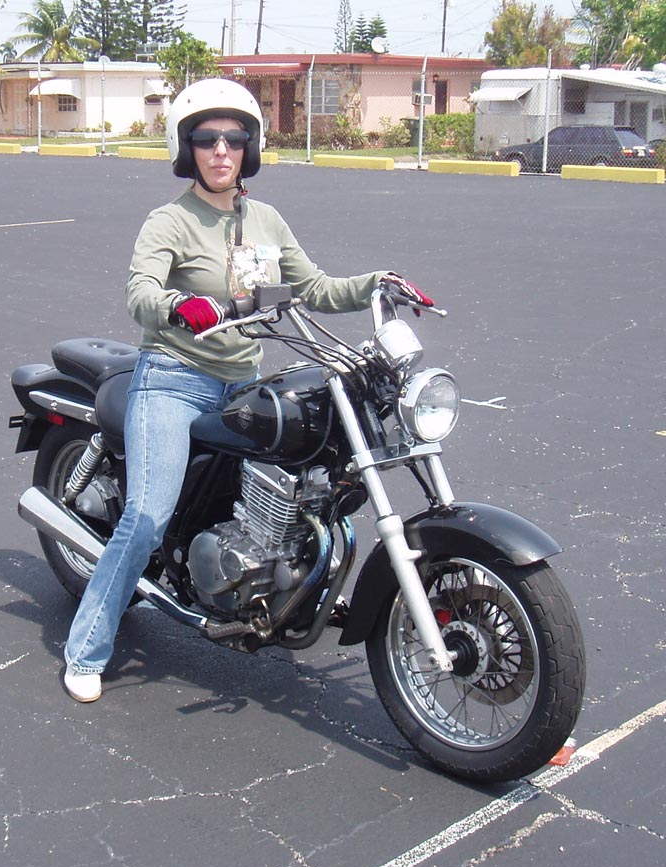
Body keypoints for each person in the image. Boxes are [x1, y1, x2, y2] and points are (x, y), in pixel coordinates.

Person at [62, 78, 431, 702]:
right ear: (187, 148)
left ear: (249, 148)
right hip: (174, 379)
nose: (221, 150)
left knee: (306, 478)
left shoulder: (265, 220)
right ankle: (86, 649)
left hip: (241, 382)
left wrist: (377, 282)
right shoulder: (170, 220)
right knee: (146, 517)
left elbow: (314, 288)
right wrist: (179, 305)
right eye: (207, 138)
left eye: (233, 139)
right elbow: (140, 293)